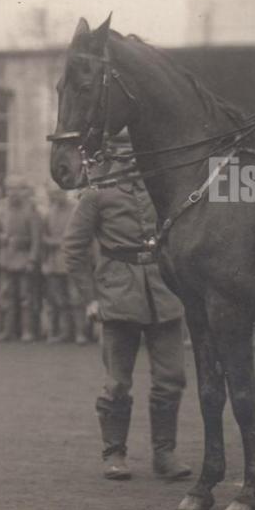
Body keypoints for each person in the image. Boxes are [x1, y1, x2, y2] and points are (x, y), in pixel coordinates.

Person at [62, 129, 191, 482]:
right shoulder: (96, 197)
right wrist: (90, 298)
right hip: (117, 295)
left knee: (171, 379)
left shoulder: (162, 192)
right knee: (118, 382)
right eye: (123, 158)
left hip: (164, 294)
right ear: (111, 159)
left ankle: (165, 454)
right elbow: (73, 252)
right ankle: (114, 453)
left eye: (136, 157)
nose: (131, 164)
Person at [0, 175, 42, 342]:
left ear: (24, 191)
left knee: (26, 297)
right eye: (10, 189)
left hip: (24, 258)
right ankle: (8, 330)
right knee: (6, 296)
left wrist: (32, 260)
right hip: (6, 258)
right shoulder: (2, 209)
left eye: (17, 189)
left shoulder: (31, 210)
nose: (13, 193)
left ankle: (27, 330)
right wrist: (1, 238)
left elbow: (36, 239)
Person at [42, 181, 83, 343]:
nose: (55, 197)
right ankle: (65, 332)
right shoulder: (49, 212)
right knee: (59, 299)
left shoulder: (77, 209)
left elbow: (82, 234)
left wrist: (61, 242)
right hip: (54, 261)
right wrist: (49, 243)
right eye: (52, 194)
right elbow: (43, 236)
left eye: (57, 193)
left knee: (76, 298)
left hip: (73, 259)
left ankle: (81, 333)